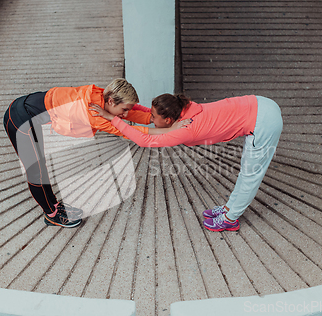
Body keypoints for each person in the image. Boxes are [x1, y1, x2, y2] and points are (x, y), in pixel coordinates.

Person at [89, 93, 283, 232]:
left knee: (250, 174)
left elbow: (144, 140)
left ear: (167, 120)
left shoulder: (185, 129)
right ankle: (228, 209)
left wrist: (112, 118)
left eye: (154, 118)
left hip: (264, 121)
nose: (151, 119)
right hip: (258, 103)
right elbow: (148, 117)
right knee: (245, 172)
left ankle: (230, 219)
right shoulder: (184, 107)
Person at [3, 79, 156, 228]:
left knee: (41, 166)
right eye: (124, 109)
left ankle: (54, 205)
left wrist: (154, 117)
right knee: (36, 172)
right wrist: (166, 132)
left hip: (25, 109)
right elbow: (129, 131)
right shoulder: (94, 113)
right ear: (111, 102)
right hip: (20, 121)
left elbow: (131, 113)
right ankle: (52, 215)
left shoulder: (101, 96)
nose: (126, 114)